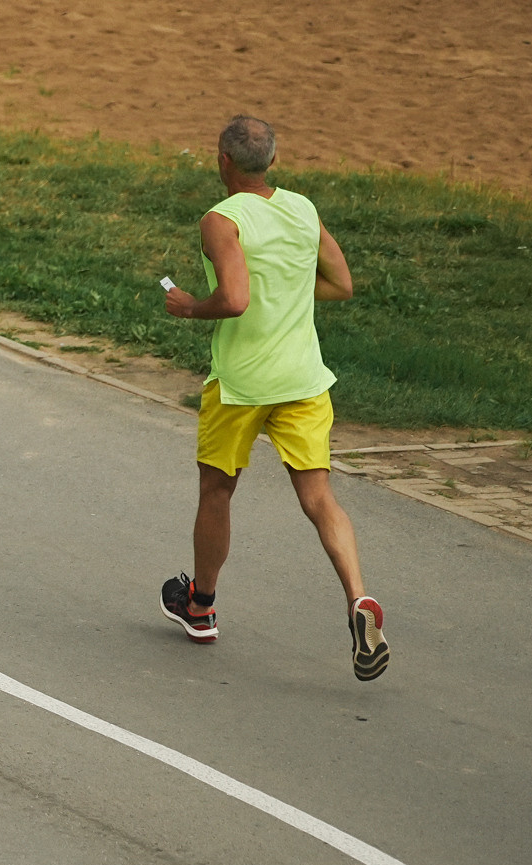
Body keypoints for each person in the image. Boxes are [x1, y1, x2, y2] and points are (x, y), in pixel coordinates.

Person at [161, 115, 387, 681]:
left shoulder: (221, 219)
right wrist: (285, 286)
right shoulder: (303, 209)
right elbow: (341, 285)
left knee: (217, 489)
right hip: (304, 380)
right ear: (274, 164)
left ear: (222, 162)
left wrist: (190, 307)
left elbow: (234, 300)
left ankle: (202, 605)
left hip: (241, 384)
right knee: (318, 499)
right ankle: (359, 599)